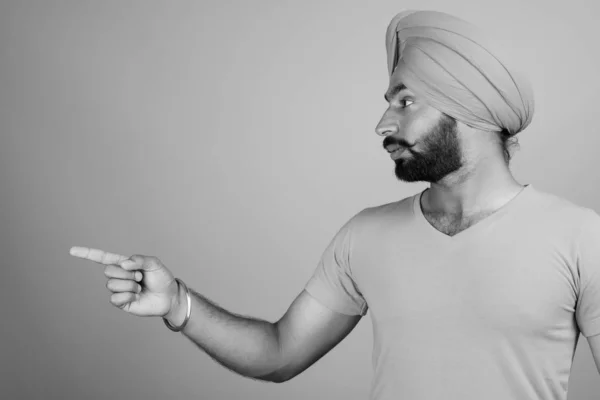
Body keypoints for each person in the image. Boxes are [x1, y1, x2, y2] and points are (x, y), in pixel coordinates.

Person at [70, 10, 600, 400]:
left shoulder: (580, 239)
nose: (383, 124)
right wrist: (177, 303)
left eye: (405, 101)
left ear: (473, 110)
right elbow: (279, 354)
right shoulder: (365, 237)